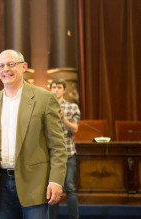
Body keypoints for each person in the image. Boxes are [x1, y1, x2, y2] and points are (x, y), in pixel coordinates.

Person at [0, 49, 67, 219]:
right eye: (1, 66)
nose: (5, 69)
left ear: (24, 67)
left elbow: (58, 146)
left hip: (35, 183)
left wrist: (56, 180)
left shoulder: (45, 99)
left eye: (11, 64)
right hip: (2, 184)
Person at [49, 79, 81, 219]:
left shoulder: (72, 107)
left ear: (64, 90)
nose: (56, 89)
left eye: (59, 87)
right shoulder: (46, 106)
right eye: (54, 87)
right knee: (52, 188)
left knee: (70, 188)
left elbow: (75, 128)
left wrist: (63, 119)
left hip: (68, 153)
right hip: (50, 155)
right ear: (50, 89)